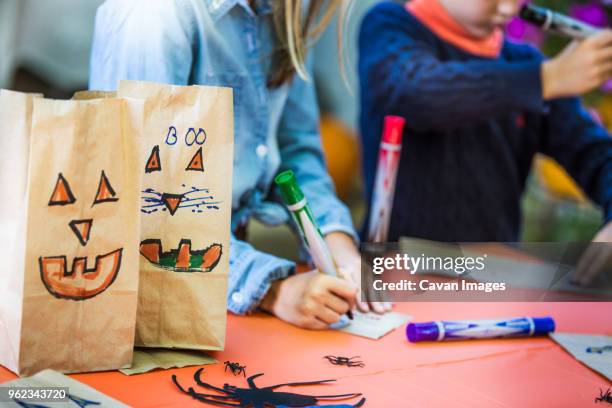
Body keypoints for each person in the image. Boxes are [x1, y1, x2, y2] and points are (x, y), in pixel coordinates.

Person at [90, 0, 391, 330]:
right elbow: (142, 206)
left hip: (229, 274)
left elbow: (294, 149)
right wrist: (274, 290)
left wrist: (336, 243)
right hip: (164, 288)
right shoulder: (152, 16)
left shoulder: (288, 9)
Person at [359, 0, 612, 286]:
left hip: (491, 279)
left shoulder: (523, 63)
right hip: (396, 278)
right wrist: (545, 79)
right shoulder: (390, 25)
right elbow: (414, 91)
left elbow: (595, 153)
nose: (509, 10)